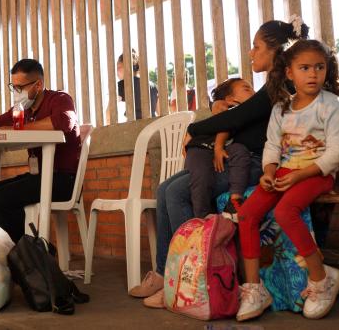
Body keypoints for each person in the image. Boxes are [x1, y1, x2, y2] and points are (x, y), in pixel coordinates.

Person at [129, 18, 309, 308]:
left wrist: (196, 129)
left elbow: (236, 119)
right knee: (164, 189)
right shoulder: (272, 86)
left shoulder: (281, 86)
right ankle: (167, 274)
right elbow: (235, 119)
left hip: (252, 165)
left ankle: (194, 276)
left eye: (256, 46)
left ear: (275, 51)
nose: (251, 53)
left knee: (176, 192)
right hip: (241, 160)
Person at [236, 39, 339, 322]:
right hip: (285, 173)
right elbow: (272, 146)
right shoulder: (281, 109)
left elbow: (336, 151)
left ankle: (321, 279)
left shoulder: (330, 104)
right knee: (247, 214)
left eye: (319, 67)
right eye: (305, 68)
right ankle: (254, 289)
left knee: (285, 211)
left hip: (317, 173)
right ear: (289, 73)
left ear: (327, 70)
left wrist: (300, 174)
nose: (313, 74)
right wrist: (269, 173)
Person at [0, 59, 81, 243]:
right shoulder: (21, 109)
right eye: (13, 87)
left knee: (2, 198)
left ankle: (30, 250)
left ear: (38, 84)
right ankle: (14, 247)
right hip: (37, 176)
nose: (16, 92)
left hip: (64, 180)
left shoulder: (60, 99)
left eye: (20, 87)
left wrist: (18, 129)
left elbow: (64, 121)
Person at [185, 77, 255, 222]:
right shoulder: (226, 106)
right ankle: (202, 218)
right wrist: (218, 146)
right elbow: (225, 121)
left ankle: (235, 198)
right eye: (246, 89)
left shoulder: (248, 111)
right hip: (201, 147)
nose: (253, 92)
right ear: (230, 98)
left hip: (225, 147)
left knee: (240, 151)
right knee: (202, 175)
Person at [107, 49, 159, 123]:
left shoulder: (122, 85)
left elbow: (109, 114)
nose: (116, 71)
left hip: (135, 130)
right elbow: (161, 114)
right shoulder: (153, 86)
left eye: (118, 67)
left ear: (127, 66)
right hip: (153, 129)